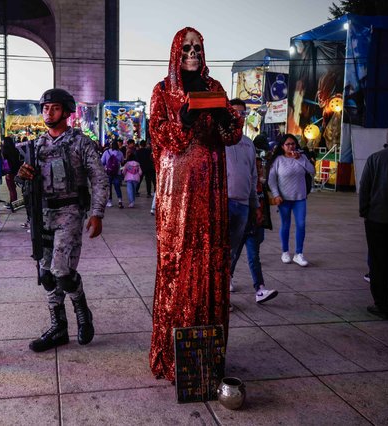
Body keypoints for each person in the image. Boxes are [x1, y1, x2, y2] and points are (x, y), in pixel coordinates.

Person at [148, 27, 243, 381]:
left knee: (209, 261)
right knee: (179, 262)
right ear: (176, 50)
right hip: (179, 192)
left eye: (198, 48)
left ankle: (206, 357)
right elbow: (162, 137)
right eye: (186, 47)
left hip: (211, 187)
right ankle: (173, 354)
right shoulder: (162, 91)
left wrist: (222, 117)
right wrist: (185, 118)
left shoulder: (215, 87)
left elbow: (232, 134)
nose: (193, 53)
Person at [17, 88, 108, 352]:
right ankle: (58, 327)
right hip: (42, 214)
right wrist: (22, 174)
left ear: (67, 112)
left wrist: (97, 213)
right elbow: (24, 184)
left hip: (69, 212)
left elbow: (99, 178)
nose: (49, 112)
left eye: (54, 108)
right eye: (45, 108)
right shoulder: (36, 146)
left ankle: (82, 311)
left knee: (62, 271)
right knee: (46, 274)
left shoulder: (80, 143)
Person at [359, 123, 388, 320]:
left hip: (378, 220)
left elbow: (365, 188)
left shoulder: (375, 159)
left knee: (380, 263)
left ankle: (382, 305)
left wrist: (365, 212)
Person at [230, 131, 278, 303]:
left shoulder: (259, 189)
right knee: (231, 254)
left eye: (259, 167)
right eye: (255, 166)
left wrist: (258, 211)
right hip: (235, 214)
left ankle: (260, 289)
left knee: (253, 256)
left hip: (251, 223)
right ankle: (226, 281)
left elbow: (262, 205)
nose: (257, 169)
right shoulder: (219, 142)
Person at [225, 99, 258, 293]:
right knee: (220, 247)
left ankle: (227, 278)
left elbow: (253, 175)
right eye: (235, 112)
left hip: (244, 204)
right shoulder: (218, 142)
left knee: (234, 249)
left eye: (243, 113)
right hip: (224, 202)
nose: (239, 117)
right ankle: (217, 285)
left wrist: (254, 204)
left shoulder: (248, 144)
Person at [268, 134, 315, 267]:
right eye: (288, 144)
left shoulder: (302, 157)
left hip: (300, 198)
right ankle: (285, 252)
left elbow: (312, 171)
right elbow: (272, 180)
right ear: (282, 147)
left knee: (301, 224)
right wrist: (276, 195)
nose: (291, 146)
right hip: (284, 199)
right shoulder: (278, 160)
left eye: (293, 144)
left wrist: (300, 159)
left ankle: (299, 254)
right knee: (285, 225)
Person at [100, 139, 124, 208]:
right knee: (117, 187)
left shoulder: (106, 152)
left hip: (108, 172)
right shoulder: (120, 153)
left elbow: (102, 162)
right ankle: (120, 200)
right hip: (117, 172)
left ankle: (109, 201)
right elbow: (122, 161)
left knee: (109, 187)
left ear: (111, 146)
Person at [2, 136, 22, 212]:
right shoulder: (15, 150)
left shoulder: (5, 151)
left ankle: (13, 204)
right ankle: (13, 203)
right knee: (13, 188)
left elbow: (5, 163)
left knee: (11, 188)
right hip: (15, 171)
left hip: (9, 172)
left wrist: (7, 172)